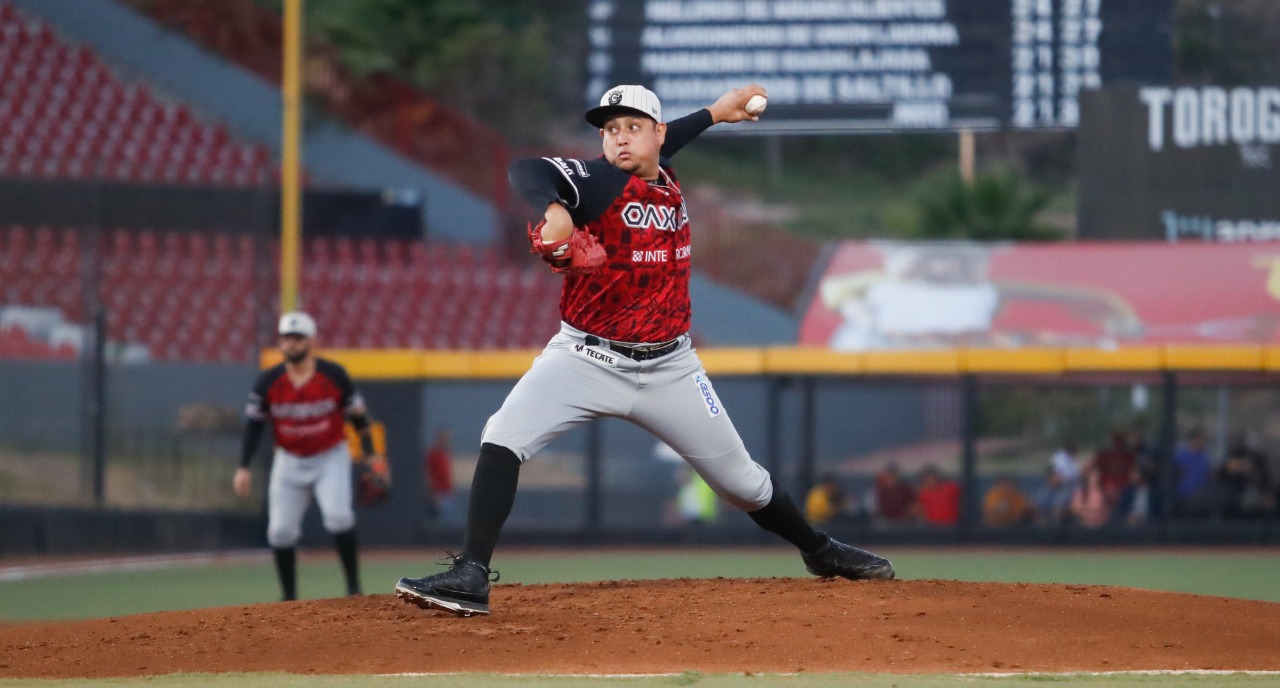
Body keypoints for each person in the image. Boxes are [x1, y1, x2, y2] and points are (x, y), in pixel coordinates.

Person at [394, 84, 894, 616]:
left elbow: (669, 139)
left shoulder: (663, 169)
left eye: (632, 127)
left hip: (670, 367)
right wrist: (554, 211)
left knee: (743, 483)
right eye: (609, 129)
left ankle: (820, 551)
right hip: (585, 358)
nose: (619, 138)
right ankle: (472, 573)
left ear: (657, 135)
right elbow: (527, 170)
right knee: (502, 435)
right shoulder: (598, 180)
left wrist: (715, 114)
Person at [234, 312, 382, 600]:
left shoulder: (334, 375)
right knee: (279, 533)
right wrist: (243, 467)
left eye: (298, 337)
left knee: (339, 518)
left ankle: (353, 588)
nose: (291, 343)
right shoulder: (267, 382)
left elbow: (359, 418)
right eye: (286, 337)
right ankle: (289, 597)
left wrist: (372, 456)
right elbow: (254, 426)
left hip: (330, 457)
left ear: (311, 341)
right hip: (289, 460)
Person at [1173, 429, 1213, 517]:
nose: (1201, 443)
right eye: (1198, 440)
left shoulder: (1204, 458)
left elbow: (1208, 474)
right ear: (1193, 441)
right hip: (1183, 497)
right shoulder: (1181, 456)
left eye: (1202, 441)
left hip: (1200, 498)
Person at [424, 428, 456, 522]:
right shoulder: (433, 454)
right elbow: (428, 476)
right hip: (439, 494)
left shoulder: (445, 454)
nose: (446, 440)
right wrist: (433, 495)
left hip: (447, 493)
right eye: (444, 438)